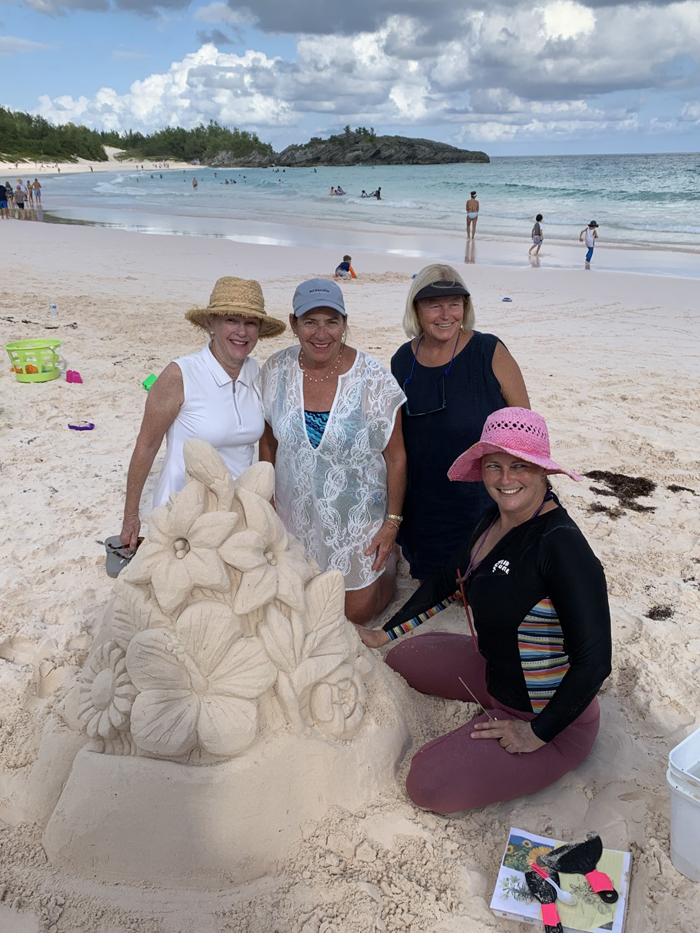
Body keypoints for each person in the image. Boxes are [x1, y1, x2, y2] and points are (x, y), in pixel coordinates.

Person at [358, 408, 612, 813]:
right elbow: (448, 579)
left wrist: (537, 734)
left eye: (520, 466)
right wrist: (383, 633)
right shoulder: (494, 519)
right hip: (495, 674)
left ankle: (541, 740)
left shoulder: (563, 548)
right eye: (495, 466)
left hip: (551, 718)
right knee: (400, 657)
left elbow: (595, 662)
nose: (505, 479)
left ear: (543, 470)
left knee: (427, 783)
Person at [259, 278, 407, 624]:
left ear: (344, 323)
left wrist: (392, 524)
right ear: (294, 324)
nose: (321, 333)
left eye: (331, 321)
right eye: (310, 322)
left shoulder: (374, 381)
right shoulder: (275, 371)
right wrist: (266, 498)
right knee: (297, 607)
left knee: (353, 616)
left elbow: (396, 456)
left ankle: (393, 559)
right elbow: (268, 439)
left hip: (355, 520)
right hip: (294, 516)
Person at [119, 277, 285, 550]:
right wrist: (130, 517)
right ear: (212, 324)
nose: (241, 332)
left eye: (251, 323)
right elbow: (147, 445)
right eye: (232, 320)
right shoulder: (180, 374)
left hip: (236, 514)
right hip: (183, 517)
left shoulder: (256, 372)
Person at [391, 264, 530, 580]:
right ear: (417, 308)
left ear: (465, 307)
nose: (446, 313)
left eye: (454, 303)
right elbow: (395, 444)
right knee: (435, 585)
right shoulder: (402, 360)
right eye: (434, 304)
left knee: (481, 590)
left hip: (484, 506)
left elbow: (527, 433)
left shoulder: (489, 351)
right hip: (425, 510)